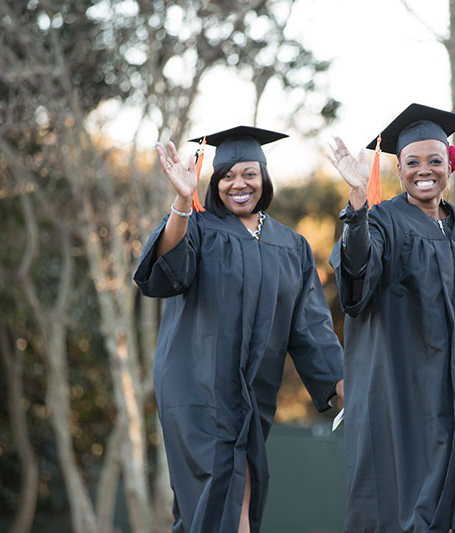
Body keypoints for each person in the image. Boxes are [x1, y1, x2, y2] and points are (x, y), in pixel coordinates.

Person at [134, 126, 344, 533]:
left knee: (241, 493)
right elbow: (166, 272)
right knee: (220, 495)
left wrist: (342, 385)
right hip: (195, 388)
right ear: (215, 182)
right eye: (227, 175)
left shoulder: (291, 246)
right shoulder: (197, 227)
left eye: (249, 173)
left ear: (264, 178)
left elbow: (312, 327)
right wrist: (181, 199)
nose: (238, 183)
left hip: (251, 392)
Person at [327, 103, 455, 533]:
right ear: (399, 169)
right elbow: (355, 270)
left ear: (450, 165)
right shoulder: (382, 220)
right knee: (408, 501)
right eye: (413, 163)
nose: (425, 170)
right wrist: (356, 202)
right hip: (400, 394)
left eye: (434, 161)